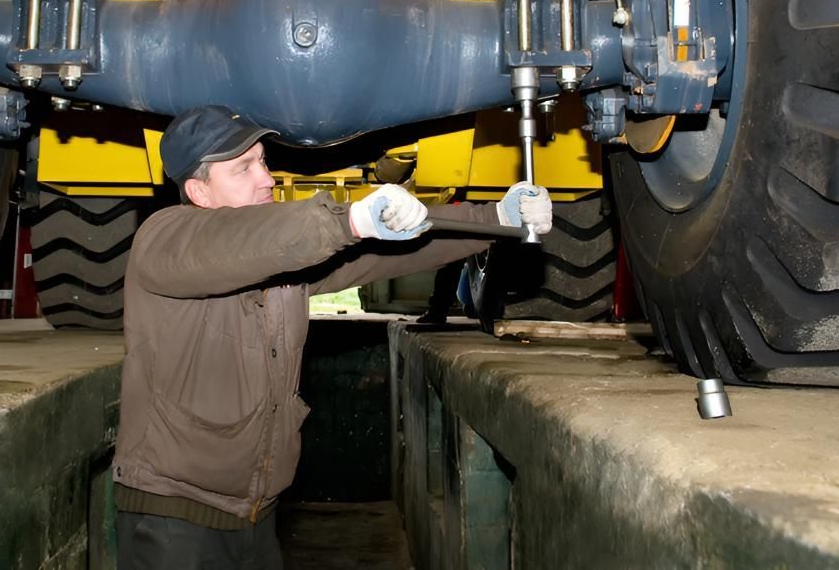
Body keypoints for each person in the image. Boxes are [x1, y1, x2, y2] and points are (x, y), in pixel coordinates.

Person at [111, 105, 552, 570]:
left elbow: (387, 253)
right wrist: (349, 220)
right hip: (172, 520)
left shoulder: (284, 267)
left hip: (255, 514)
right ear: (198, 191)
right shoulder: (163, 240)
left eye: (263, 161)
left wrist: (497, 219)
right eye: (244, 168)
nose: (267, 179)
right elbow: (241, 242)